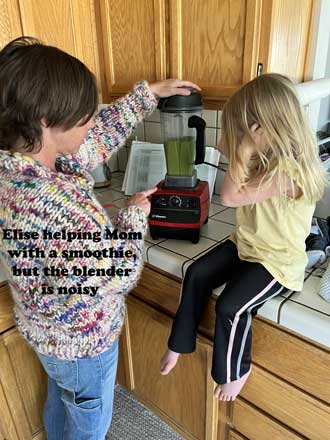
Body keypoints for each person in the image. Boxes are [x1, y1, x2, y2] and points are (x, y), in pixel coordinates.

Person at [0, 36, 200, 440]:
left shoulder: (18, 166)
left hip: (46, 332)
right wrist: (134, 217)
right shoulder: (52, 202)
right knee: (90, 422)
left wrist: (148, 95)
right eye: (85, 116)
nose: (93, 122)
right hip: (81, 346)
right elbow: (118, 272)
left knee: (62, 399)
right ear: (44, 119)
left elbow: (92, 142)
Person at [160, 73, 327, 401]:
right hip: (246, 245)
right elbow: (234, 186)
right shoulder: (261, 161)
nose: (237, 138)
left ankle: (236, 370)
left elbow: (231, 197)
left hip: (276, 262)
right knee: (195, 274)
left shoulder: (290, 173)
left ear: (266, 129)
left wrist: (245, 148)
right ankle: (178, 343)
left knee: (231, 307)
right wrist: (247, 145)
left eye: (243, 130)